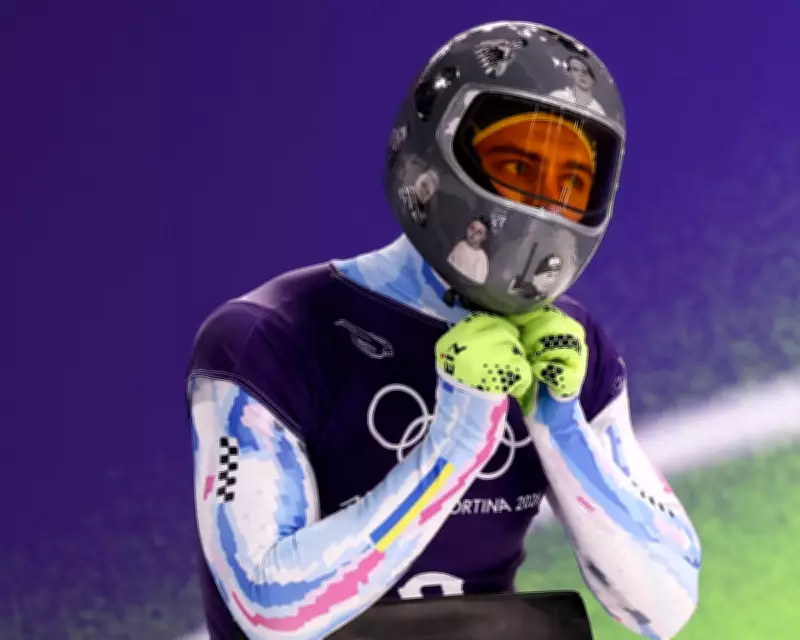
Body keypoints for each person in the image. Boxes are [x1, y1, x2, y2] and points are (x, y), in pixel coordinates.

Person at [187, 20, 701, 640]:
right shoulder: (269, 338)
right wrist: (453, 447)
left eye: (572, 183)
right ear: (432, 151)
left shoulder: (570, 345)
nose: (544, 206)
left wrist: (561, 426)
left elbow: (665, 605)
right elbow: (268, 610)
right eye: (517, 165)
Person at [447, 217, 490, 284]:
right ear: (467, 228)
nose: (473, 233)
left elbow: (476, 283)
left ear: (484, 237)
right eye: (472, 228)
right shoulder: (460, 244)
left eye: (479, 232)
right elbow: (449, 263)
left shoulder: (481, 259)